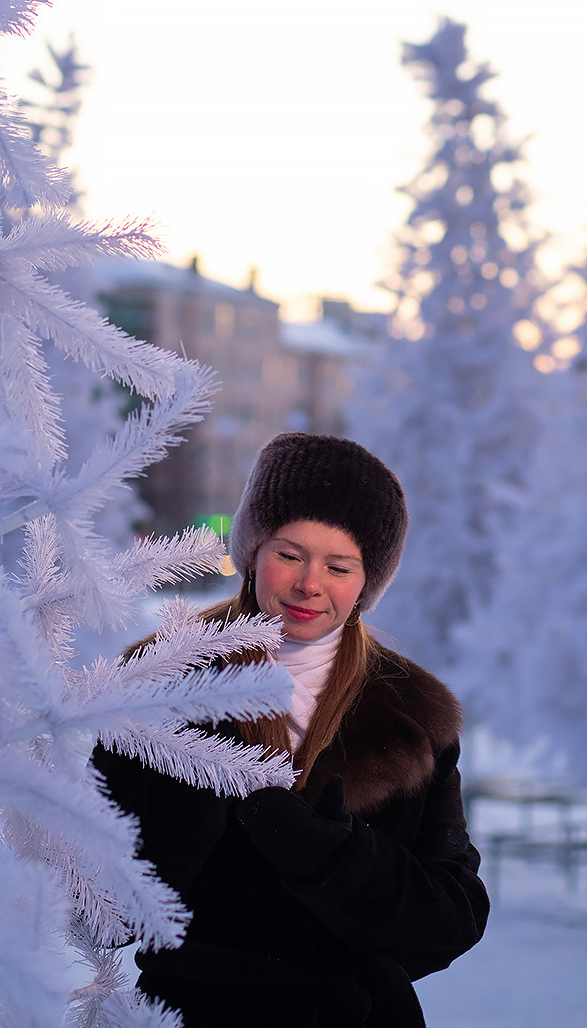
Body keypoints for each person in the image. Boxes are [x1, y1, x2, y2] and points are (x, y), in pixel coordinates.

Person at [93, 432, 489, 1028]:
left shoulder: (412, 713)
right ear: (253, 552)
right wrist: (178, 822)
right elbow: (82, 904)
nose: (310, 583)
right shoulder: (158, 683)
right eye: (289, 553)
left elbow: (451, 922)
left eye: (339, 565)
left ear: (366, 583)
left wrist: (336, 860)